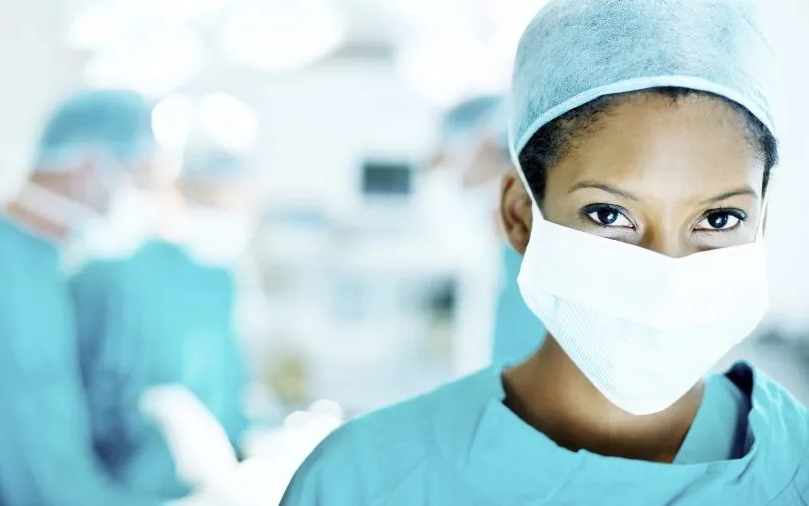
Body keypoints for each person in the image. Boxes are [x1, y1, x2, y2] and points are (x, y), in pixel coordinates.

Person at [280, 1, 809, 504]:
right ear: (519, 216)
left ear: (762, 224)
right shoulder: (360, 483)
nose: (668, 272)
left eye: (719, 219)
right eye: (609, 215)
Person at [0, 89, 171, 506]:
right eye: (140, 181)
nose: (148, 204)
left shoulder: (10, 254)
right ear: (89, 169)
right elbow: (45, 492)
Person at [69, 149, 252, 501]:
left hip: (207, 486)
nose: (226, 215)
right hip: (125, 485)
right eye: (214, 199)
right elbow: (84, 402)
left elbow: (229, 392)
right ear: (179, 190)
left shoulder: (220, 282)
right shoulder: (111, 278)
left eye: (236, 201)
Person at [429, 96, 545, 364]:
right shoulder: (500, 238)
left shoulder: (532, 234)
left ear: (484, 141)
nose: (445, 166)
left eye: (450, 153)